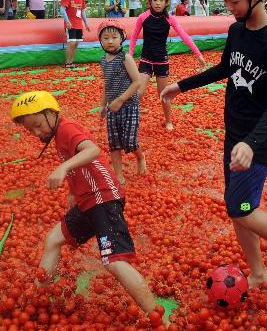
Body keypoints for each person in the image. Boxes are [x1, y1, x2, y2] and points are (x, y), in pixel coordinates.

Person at [160, 0, 267, 289]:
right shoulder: (236, 31)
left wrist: (250, 143)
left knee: (241, 208)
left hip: (256, 140)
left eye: (234, 1)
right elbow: (224, 68)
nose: (230, 8)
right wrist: (182, 85)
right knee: (237, 207)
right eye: (225, 1)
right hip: (235, 133)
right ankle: (258, 272)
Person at [9, 91, 161, 321]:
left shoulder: (67, 128)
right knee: (52, 240)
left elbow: (92, 151)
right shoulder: (57, 135)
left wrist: (62, 169)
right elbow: (77, 166)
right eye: (31, 130)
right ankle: (37, 297)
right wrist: (73, 190)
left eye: (38, 125)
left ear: (52, 113)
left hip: (103, 197)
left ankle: (160, 318)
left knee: (115, 262)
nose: (37, 132)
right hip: (89, 200)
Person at [129, 0, 206, 131]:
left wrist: (198, 54)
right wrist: (130, 55)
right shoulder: (143, 17)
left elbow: (184, 35)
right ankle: (131, 119)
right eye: (155, 0)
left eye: (161, 0)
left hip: (161, 61)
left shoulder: (169, 18)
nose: (158, 3)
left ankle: (168, 120)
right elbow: (133, 37)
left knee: (163, 94)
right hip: (146, 59)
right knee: (138, 92)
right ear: (150, 2)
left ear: (166, 3)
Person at [97, 20, 146, 184]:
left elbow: (137, 82)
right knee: (114, 142)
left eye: (114, 37)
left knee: (130, 141)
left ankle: (140, 157)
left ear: (121, 38)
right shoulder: (103, 60)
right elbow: (107, 83)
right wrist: (103, 105)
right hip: (113, 108)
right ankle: (118, 174)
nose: (110, 41)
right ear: (100, 41)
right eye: (105, 38)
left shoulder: (125, 58)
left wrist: (120, 99)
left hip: (129, 106)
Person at [60, 0, 91, 68]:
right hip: (71, 24)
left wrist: (86, 23)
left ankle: (71, 61)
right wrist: (67, 22)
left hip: (79, 24)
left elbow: (83, 11)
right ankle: (67, 63)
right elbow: (62, 10)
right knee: (72, 42)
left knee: (76, 43)